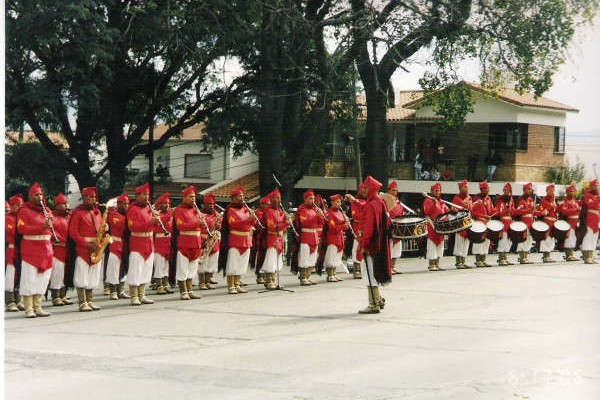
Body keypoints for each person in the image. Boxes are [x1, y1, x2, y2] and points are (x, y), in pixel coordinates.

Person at [17, 183, 55, 318]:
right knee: (29, 278)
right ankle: (28, 309)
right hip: (31, 249)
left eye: (41, 194)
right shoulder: (24, 210)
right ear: (30, 196)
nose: (39, 197)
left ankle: (38, 307)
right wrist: (42, 226)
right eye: (36, 195)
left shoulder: (47, 210)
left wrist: (51, 223)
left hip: (46, 248)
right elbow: (22, 229)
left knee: (43, 279)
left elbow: (50, 228)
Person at [358, 176, 392, 314]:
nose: (363, 190)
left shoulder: (372, 204)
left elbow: (369, 228)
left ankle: (373, 303)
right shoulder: (380, 203)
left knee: (369, 273)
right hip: (379, 243)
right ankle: (378, 298)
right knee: (374, 271)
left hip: (371, 244)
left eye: (366, 187)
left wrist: (364, 245)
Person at [68, 186, 104, 312]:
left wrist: (105, 229)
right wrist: (85, 244)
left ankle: (90, 301)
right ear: (84, 198)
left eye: (94, 197)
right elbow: (73, 233)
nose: (93, 199)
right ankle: (82, 302)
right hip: (83, 248)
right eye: (89, 197)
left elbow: (99, 230)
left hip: (97, 247)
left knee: (93, 274)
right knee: (81, 274)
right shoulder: (77, 213)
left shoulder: (98, 213)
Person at [218, 186, 257, 294]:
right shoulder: (230, 209)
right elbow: (233, 223)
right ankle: (231, 285)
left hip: (246, 239)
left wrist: (253, 220)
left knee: (242, 263)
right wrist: (247, 220)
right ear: (234, 198)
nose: (242, 198)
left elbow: (251, 224)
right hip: (235, 239)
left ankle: (237, 283)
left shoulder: (246, 209)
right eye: (240, 196)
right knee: (233, 263)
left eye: (242, 196)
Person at [126, 183, 160, 305]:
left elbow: (154, 228)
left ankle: (142, 295)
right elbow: (132, 227)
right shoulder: (132, 209)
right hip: (137, 243)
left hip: (149, 243)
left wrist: (156, 221)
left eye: (148, 195)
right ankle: (134, 296)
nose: (147, 197)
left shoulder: (149, 208)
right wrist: (150, 222)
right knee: (136, 269)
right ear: (137, 195)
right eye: (144, 194)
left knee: (146, 270)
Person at [173, 186, 204, 300]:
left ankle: (190, 290)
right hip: (185, 243)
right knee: (183, 268)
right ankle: (183, 291)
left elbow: (200, 227)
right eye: (191, 197)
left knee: (192, 268)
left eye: (194, 197)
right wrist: (197, 222)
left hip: (196, 242)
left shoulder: (196, 210)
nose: (193, 199)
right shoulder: (179, 210)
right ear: (184, 197)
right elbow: (181, 226)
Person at [294, 189, 326, 286]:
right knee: (304, 257)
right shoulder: (302, 209)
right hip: (305, 236)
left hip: (314, 236)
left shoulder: (315, 210)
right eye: (310, 198)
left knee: (312, 258)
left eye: (313, 198)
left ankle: (308, 276)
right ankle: (303, 277)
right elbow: (305, 222)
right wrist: (317, 215)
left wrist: (321, 215)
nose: (313, 201)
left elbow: (322, 223)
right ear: (305, 199)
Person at [260, 189, 289, 289]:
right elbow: (272, 227)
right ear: (271, 199)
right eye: (276, 198)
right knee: (271, 260)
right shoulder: (268, 211)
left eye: (279, 198)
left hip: (279, 239)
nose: (278, 200)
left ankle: (274, 280)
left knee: (277, 260)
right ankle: (268, 281)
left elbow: (282, 227)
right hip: (271, 238)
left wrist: (287, 221)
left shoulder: (280, 211)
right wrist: (285, 223)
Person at [105, 193, 131, 300]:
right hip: (114, 243)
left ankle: (121, 290)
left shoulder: (128, 215)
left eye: (127, 204)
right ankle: (113, 291)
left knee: (124, 267)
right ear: (118, 204)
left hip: (125, 244)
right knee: (113, 268)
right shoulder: (113, 215)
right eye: (123, 204)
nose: (125, 206)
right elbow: (121, 226)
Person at [48, 193, 73, 306]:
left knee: (66, 273)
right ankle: (55, 296)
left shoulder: (70, 216)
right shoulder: (52, 217)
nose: (66, 205)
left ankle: (63, 294)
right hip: (57, 249)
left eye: (66, 203)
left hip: (68, 249)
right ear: (57, 205)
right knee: (57, 273)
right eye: (63, 203)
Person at [322, 194, 350, 283]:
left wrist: (347, 225)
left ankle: (334, 273)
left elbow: (344, 227)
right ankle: (330, 275)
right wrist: (342, 226)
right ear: (332, 202)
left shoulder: (341, 213)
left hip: (340, 236)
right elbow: (332, 227)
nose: (339, 204)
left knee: (337, 255)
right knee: (331, 255)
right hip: (332, 237)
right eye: (337, 202)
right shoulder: (330, 213)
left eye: (340, 202)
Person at [151, 193, 174, 295]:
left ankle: (165, 284)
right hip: (159, 243)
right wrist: (169, 215)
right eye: (164, 203)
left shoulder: (170, 215)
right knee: (159, 265)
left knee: (165, 265)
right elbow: (157, 227)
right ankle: (159, 285)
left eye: (168, 203)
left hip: (168, 242)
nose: (167, 205)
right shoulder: (156, 214)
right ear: (159, 205)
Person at [198, 194, 222, 290]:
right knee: (203, 262)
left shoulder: (217, 215)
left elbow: (219, 228)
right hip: (202, 240)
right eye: (209, 204)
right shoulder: (199, 215)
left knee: (212, 261)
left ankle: (208, 281)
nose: (211, 206)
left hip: (214, 241)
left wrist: (219, 225)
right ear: (203, 205)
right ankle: (202, 283)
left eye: (212, 204)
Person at [5, 194, 24, 312]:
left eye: (21, 205)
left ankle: (18, 299)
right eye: (17, 205)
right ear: (11, 206)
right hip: (11, 249)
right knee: (11, 274)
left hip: (21, 250)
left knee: (20, 274)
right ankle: (9, 301)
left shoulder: (22, 218)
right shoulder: (7, 218)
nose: (19, 207)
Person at [423, 183, 449, 271]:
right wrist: (434, 204)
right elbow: (427, 212)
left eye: (439, 191)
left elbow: (446, 212)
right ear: (431, 191)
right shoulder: (428, 200)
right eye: (436, 190)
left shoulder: (442, 202)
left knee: (440, 245)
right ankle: (431, 265)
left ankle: (437, 264)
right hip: (432, 226)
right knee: (432, 245)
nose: (437, 192)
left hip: (441, 227)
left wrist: (452, 210)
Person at [345, 184, 368, 279]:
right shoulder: (355, 203)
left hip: (367, 228)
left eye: (365, 189)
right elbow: (356, 216)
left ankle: (366, 269)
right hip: (358, 228)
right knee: (356, 248)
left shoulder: (368, 201)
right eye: (361, 189)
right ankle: (357, 269)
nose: (363, 191)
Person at [512, 182, 537, 264]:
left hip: (531, 222)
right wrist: (529, 210)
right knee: (523, 240)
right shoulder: (521, 200)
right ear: (524, 190)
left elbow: (533, 212)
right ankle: (522, 257)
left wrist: (541, 212)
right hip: (524, 222)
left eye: (530, 189)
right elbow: (517, 212)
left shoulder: (530, 199)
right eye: (528, 189)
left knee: (529, 240)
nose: (530, 190)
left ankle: (525, 257)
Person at [471, 180, 494, 267]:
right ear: (482, 189)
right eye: (486, 188)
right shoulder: (476, 199)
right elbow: (473, 212)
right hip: (479, 223)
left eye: (488, 188)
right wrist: (484, 216)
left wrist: (498, 210)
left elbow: (491, 210)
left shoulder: (488, 199)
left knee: (486, 241)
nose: (488, 190)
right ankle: (478, 260)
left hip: (487, 222)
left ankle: (483, 260)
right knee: (479, 241)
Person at [451, 180, 472, 269]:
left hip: (468, 222)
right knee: (459, 242)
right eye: (465, 187)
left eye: (467, 187)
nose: (467, 189)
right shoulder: (456, 198)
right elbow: (452, 210)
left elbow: (471, 210)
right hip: (460, 224)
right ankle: (458, 262)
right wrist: (453, 210)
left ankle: (463, 261)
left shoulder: (469, 198)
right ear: (460, 188)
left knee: (466, 242)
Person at [557, 185, 581, 262]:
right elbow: (565, 212)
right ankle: (568, 255)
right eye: (570, 191)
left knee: (573, 239)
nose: (572, 193)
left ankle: (571, 254)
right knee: (569, 239)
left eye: (573, 191)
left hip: (575, 222)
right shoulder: (565, 202)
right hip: (569, 222)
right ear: (567, 192)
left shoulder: (574, 201)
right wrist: (575, 210)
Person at [495, 183, 515, 266]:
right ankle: (500, 258)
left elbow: (514, 210)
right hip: (503, 222)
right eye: (504, 190)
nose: (505, 191)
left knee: (508, 241)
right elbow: (496, 212)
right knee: (503, 241)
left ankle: (505, 258)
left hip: (510, 222)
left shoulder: (511, 200)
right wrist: (505, 212)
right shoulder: (500, 200)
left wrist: (512, 211)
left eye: (506, 190)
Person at [387, 181, 404, 274]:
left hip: (398, 228)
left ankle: (393, 266)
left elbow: (401, 213)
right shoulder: (385, 201)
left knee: (397, 249)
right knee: (389, 248)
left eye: (396, 190)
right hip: (389, 227)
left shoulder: (399, 202)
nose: (395, 192)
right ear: (389, 190)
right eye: (393, 190)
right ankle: (388, 267)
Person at [251, 196, 270, 284]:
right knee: (261, 257)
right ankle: (259, 275)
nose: (268, 205)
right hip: (260, 238)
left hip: (269, 237)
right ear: (262, 204)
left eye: (269, 204)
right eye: (266, 204)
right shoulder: (257, 213)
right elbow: (255, 225)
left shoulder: (270, 212)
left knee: (268, 257)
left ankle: (267, 275)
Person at [538, 184, 559, 263]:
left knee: (551, 239)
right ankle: (545, 256)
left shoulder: (554, 200)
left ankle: (548, 255)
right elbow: (543, 211)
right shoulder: (544, 200)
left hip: (553, 221)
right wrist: (551, 206)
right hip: (547, 221)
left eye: (553, 191)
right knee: (547, 238)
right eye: (550, 191)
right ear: (547, 191)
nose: (552, 192)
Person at [581, 179, 599, 264]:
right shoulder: (588, 195)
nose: (596, 187)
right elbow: (590, 205)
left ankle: (591, 256)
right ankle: (586, 257)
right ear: (591, 186)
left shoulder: (597, 195)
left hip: (597, 218)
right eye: (594, 185)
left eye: (597, 185)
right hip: (590, 218)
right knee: (588, 237)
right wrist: (598, 199)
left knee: (594, 238)